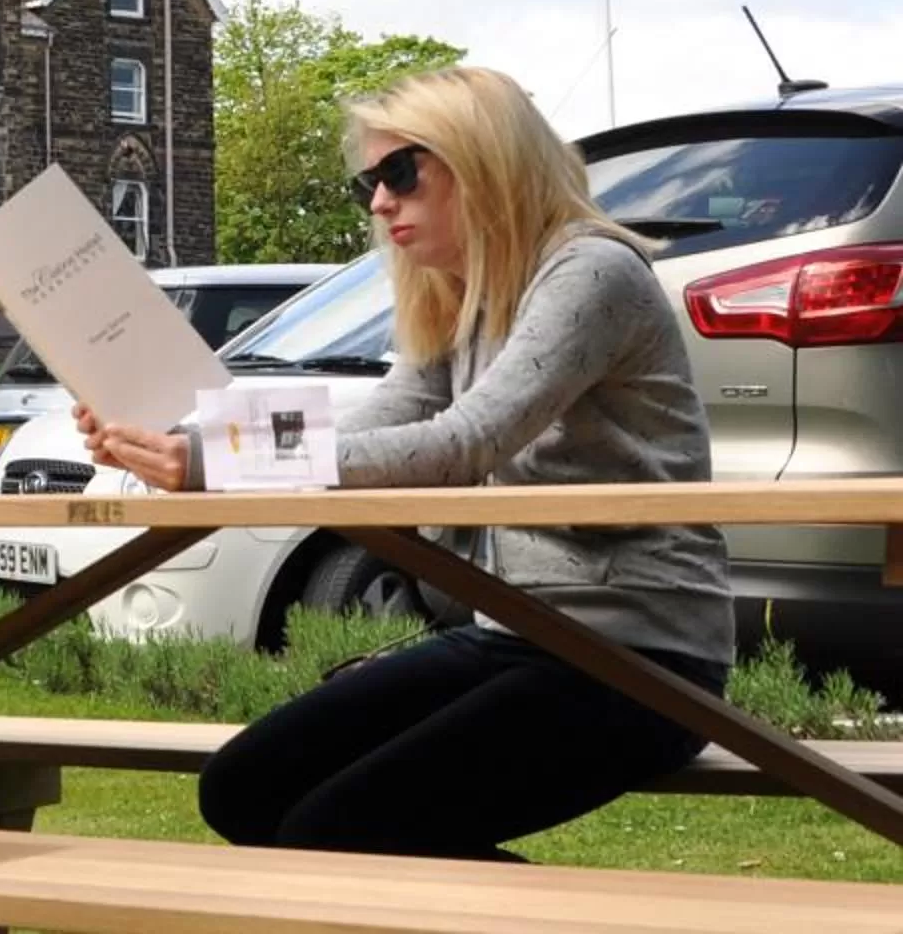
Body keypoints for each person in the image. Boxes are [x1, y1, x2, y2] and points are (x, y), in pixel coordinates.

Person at [74, 64, 732, 861]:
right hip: (514, 632)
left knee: (338, 829)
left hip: (641, 659)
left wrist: (212, 465)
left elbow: (464, 443)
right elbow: (373, 425)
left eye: (401, 172)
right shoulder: (460, 294)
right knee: (244, 791)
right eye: (370, 184)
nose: (381, 201)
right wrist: (181, 440)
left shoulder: (591, 271)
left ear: (485, 158)